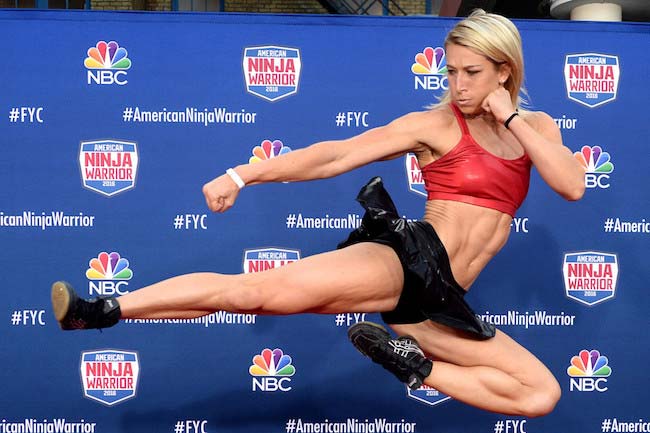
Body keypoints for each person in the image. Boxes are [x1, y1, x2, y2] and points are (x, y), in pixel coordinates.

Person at [51, 9, 585, 417]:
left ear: (504, 71)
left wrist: (510, 117)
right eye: (451, 72)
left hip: (441, 301)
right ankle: (97, 310)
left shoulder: (536, 129)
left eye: (472, 72)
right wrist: (243, 174)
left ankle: (413, 366)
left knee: (540, 393)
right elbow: (336, 155)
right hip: (411, 261)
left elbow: (572, 187)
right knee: (252, 293)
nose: (458, 85)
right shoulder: (437, 125)